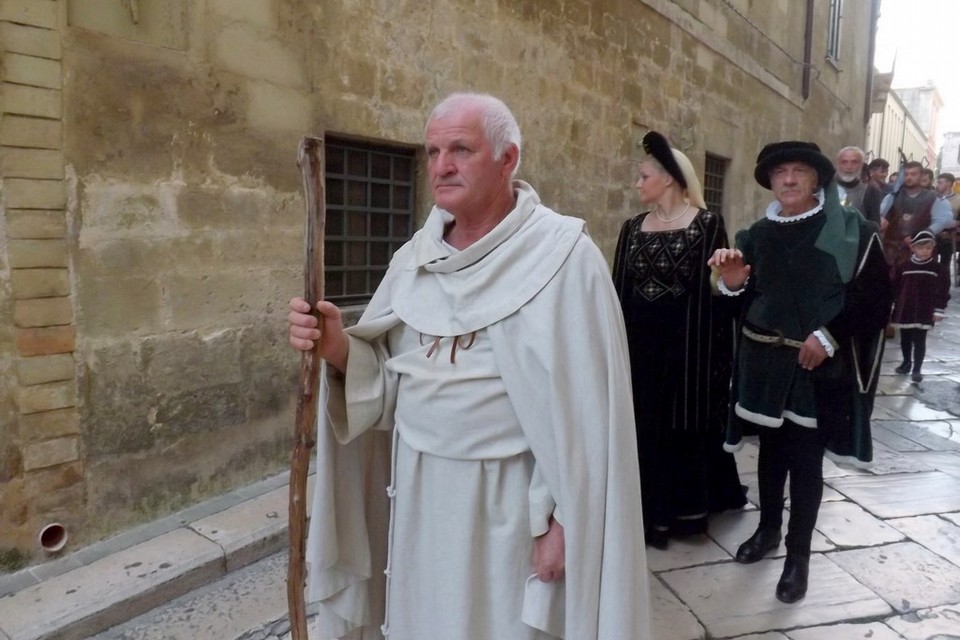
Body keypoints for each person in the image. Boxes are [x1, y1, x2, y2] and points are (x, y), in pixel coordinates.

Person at [287, 92, 652, 639]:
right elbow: (393, 393)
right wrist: (337, 348)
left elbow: (588, 426)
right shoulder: (414, 260)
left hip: (507, 509)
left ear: (509, 158)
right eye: (433, 150)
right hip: (418, 497)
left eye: (461, 149)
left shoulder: (564, 259)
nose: (441, 165)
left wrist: (566, 526)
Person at [708, 141, 891, 604]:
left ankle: (798, 557)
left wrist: (828, 336)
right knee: (770, 456)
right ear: (770, 180)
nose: (788, 179)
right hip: (765, 369)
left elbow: (874, 301)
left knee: (806, 464)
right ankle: (768, 530)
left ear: (817, 180)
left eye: (799, 171)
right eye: (780, 172)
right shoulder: (754, 237)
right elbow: (739, 307)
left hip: (816, 372)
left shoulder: (853, 231)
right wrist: (732, 286)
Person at [612, 131, 745, 549]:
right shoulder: (631, 228)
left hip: (687, 350)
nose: (637, 183)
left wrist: (709, 362)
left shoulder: (707, 224)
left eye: (644, 175)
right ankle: (641, 513)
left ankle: (681, 513)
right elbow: (618, 291)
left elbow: (712, 294)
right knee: (641, 426)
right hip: (638, 349)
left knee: (680, 426)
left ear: (668, 178)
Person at [891, 230, 950, 383]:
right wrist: (892, 304)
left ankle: (917, 369)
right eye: (921, 248)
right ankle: (906, 362)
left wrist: (939, 309)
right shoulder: (904, 266)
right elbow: (895, 287)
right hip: (906, 308)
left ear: (933, 249)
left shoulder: (938, 269)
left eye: (928, 248)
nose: (924, 251)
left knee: (919, 339)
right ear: (914, 248)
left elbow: (943, 290)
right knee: (905, 338)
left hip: (925, 309)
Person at [880, 160, 952, 267]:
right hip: (891, 251)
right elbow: (880, 214)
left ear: (921, 176)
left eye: (913, 174)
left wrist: (921, 236)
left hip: (921, 251)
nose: (909, 177)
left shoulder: (935, 198)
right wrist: (881, 219)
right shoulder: (891, 197)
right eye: (906, 174)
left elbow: (941, 221)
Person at [835, 146, 882, 225]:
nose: (849, 167)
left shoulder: (871, 192)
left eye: (854, 162)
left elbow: (873, 226)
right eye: (844, 162)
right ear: (837, 164)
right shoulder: (825, 189)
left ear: (861, 165)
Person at [934, 172, 960, 268]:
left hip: (950, 235)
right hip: (933, 234)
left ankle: (944, 281)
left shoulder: (958, 199)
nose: (937, 185)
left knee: (945, 261)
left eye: (940, 183)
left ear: (949, 183)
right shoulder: (933, 197)